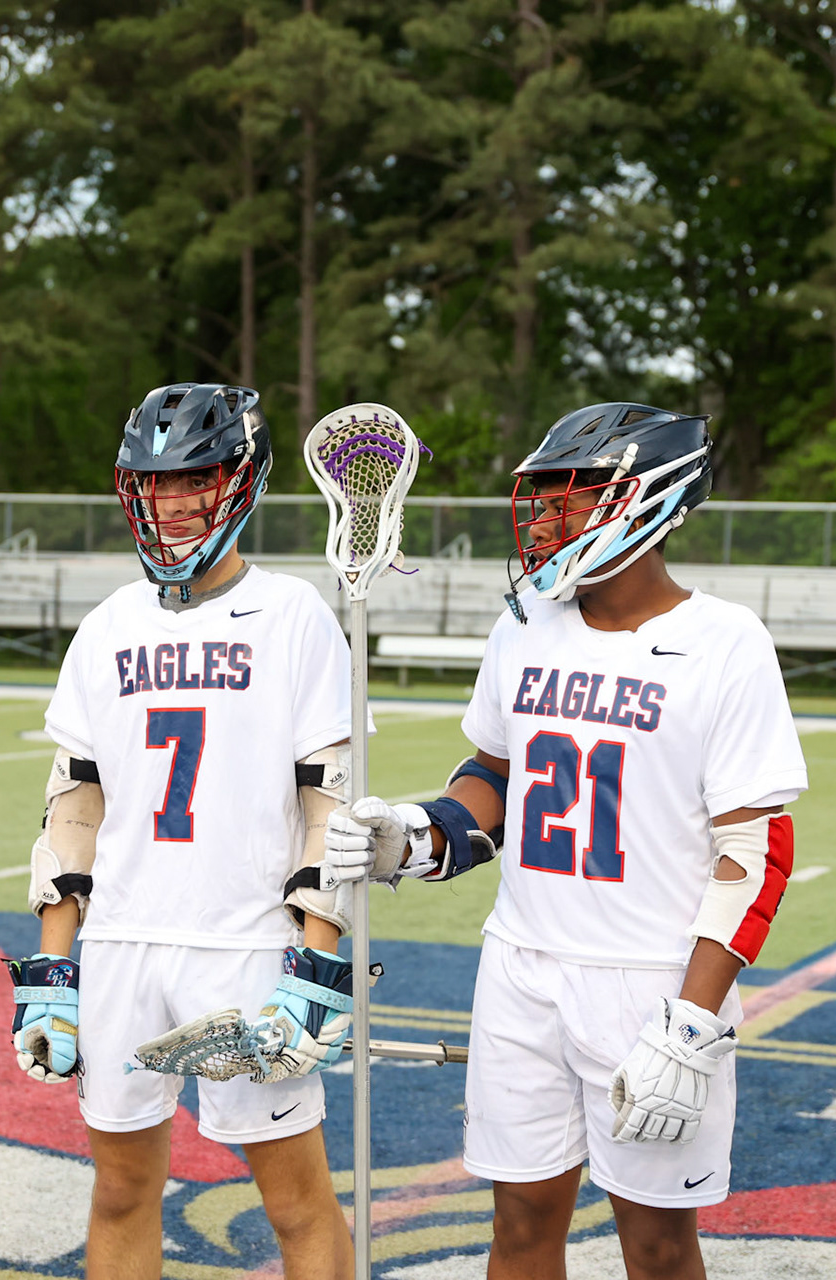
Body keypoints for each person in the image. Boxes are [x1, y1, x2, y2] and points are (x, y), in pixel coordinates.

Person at [320, 403, 807, 1280]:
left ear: (650, 502)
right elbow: (497, 778)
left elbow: (755, 854)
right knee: (517, 1228)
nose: (544, 517)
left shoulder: (726, 643)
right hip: (521, 966)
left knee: (657, 1248)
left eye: (570, 497)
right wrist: (417, 835)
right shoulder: (525, 626)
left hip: (652, 983)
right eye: (539, 497)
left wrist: (694, 1022)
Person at [8, 382, 356, 1280]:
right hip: (123, 939)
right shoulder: (107, 626)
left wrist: (318, 962)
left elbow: (330, 803)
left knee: (294, 1200)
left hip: (243, 944)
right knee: (121, 1192)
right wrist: (54, 963)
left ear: (240, 482)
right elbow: (75, 803)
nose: (170, 502)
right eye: (153, 483)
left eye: (194, 479)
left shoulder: (295, 617)